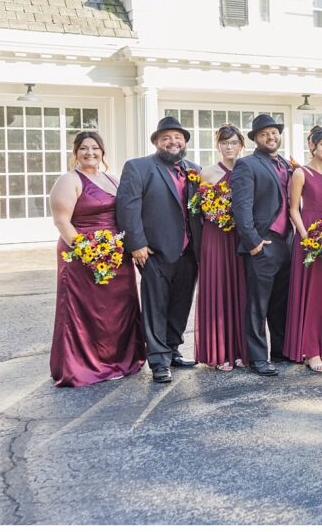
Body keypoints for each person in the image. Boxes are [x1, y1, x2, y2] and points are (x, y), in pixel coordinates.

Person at [49, 131, 144, 387]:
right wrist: (88, 252)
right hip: (81, 254)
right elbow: (62, 221)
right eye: (83, 148)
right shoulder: (69, 180)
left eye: (95, 148)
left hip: (115, 254)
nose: (90, 153)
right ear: (75, 153)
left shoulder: (111, 179)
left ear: (103, 152)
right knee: (86, 311)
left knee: (116, 309)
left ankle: (118, 360)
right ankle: (84, 366)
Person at [117, 116, 203, 384]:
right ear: (156, 142)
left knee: (181, 303)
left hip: (189, 251)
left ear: (185, 142)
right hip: (153, 250)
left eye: (178, 138)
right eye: (166, 138)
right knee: (155, 307)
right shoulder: (138, 167)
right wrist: (137, 244)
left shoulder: (195, 170)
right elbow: (128, 207)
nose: (173, 142)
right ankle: (158, 360)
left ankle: (174, 350)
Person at [231, 114, 293, 377]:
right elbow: (241, 208)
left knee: (281, 302)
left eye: (274, 133)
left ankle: (280, 351)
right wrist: (254, 242)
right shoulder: (246, 165)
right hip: (263, 243)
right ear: (255, 138)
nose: (271, 137)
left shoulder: (288, 164)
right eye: (265, 134)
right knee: (258, 304)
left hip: (286, 243)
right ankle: (258, 358)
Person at [284, 125, 322, 373]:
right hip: (308, 238)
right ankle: (311, 350)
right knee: (311, 294)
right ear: (312, 146)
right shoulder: (301, 173)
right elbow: (293, 209)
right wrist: (306, 238)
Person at [194, 124, 248, 372]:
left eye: (234, 142)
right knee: (218, 287)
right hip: (216, 236)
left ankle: (239, 349)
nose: (229, 147)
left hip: (240, 235)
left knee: (241, 291)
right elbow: (201, 209)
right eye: (225, 142)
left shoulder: (247, 169)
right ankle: (220, 352)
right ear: (218, 145)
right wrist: (219, 212)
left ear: (241, 145)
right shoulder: (207, 173)